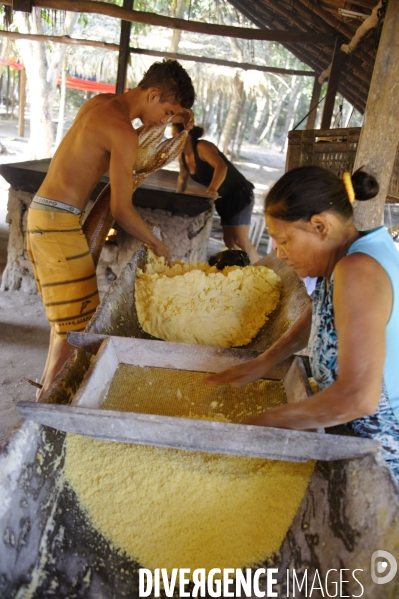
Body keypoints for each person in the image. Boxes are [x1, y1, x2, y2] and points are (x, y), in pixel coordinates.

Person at [206, 165, 399, 483]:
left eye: (284, 240)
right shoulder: (348, 255)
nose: (279, 254)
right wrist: (266, 359)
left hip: (384, 456)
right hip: (353, 429)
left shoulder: (358, 270)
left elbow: (358, 398)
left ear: (320, 226)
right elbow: (322, 313)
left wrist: (262, 423)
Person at [27, 59, 195, 398]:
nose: (164, 122)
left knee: (66, 323)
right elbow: (120, 208)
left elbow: (114, 150)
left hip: (46, 216)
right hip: (57, 224)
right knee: (78, 329)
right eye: (166, 112)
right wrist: (156, 243)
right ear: (153, 94)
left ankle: (45, 395)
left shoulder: (99, 104)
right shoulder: (121, 132)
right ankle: (50, 406)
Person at [170, 123, 259, 263]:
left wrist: (212, 188)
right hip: (223, 199)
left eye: (176, 136)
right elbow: (182, 179)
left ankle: (259, 271)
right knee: (229, 240)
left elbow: (221, 167)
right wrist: (176, 198)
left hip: (239, 193)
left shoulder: (202, 147)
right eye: (172, 136)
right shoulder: (182, 156)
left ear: (188, 136)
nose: (172, 140)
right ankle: (240, 270)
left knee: (240, 240)